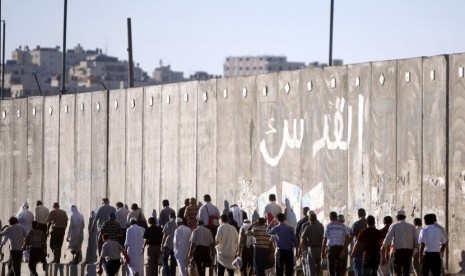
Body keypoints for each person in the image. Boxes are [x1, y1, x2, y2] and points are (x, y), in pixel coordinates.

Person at [381, 209, 416, 276]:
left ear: (397, 217)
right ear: (405, 217)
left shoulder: (394, 226)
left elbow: (388, 239)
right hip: (408, 252)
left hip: (398, 253)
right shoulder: (412, 227)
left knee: (397, 272)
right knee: (406, 271)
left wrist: (383, 246)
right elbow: (416, 241)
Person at [321, 211, 350, 276]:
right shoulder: (342, 226)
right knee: (339, 268)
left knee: (331, 268)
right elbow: (347, 238)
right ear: (336, 217)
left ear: (330, 217)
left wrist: (322, 252)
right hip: (340, 249)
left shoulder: (328, 226)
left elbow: (324, 240)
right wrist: (344, 250)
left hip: (332, 249)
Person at [350, 208, 367, 276]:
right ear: (365, 214)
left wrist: (345, 247)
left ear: (358, 215)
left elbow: (351, 237)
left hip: (358, 250)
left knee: (358, 269)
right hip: (367, 250)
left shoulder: (356, 224)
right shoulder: (369, 223)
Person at [161, 211, 177, 276]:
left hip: (168, 244)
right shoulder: (178, 223)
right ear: (175, 216)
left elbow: (165, 235)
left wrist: (162, 245)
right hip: (175, 245)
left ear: (169, 216)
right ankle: (172, 274)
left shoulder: (168, 223)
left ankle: (167, 274)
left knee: (165, 260)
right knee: (173, 261)